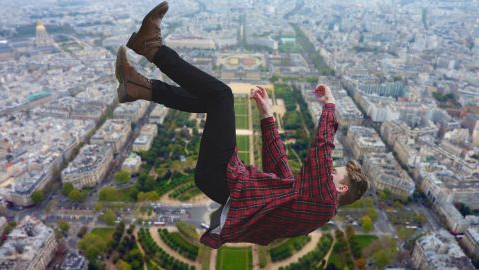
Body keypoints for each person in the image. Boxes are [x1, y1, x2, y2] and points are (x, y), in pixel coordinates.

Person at [115, 1, 369, 249]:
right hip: (225, 180)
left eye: (334, 173)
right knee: (211, 101)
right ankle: (137, 86)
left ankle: (152, 48)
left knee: (221, 95)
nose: (327, 171)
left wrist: (329, 108)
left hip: (223, 179)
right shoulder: (310, 204)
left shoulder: (324, 203)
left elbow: (320, 153)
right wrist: (267, 117)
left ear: (341, 188)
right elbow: (280, 172)